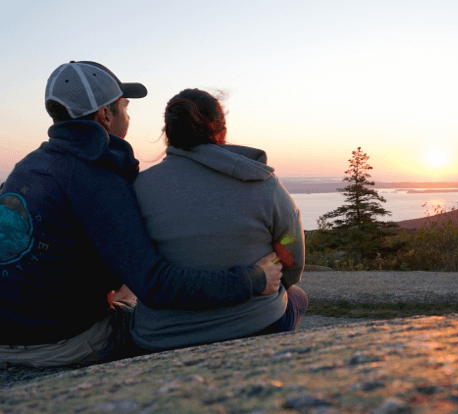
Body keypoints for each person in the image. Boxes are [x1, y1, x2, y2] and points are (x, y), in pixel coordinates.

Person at [0, 62, 282, 367]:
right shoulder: (95, 179)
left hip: (10, 332)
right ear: (105, 116)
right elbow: (157, 286)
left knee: (126, 292)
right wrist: (252, 279)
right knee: (147, 316)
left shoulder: (30, 166)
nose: (128, 116)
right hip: (58, 343)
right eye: (125, 107)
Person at [130, 88, 307, 351]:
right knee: (297, 297)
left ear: (167, 134)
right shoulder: (263, 182)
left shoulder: (139, 187)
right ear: (220, 130)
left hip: (160, 337)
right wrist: (271, 275)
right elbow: (292, 254)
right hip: (255, 327)